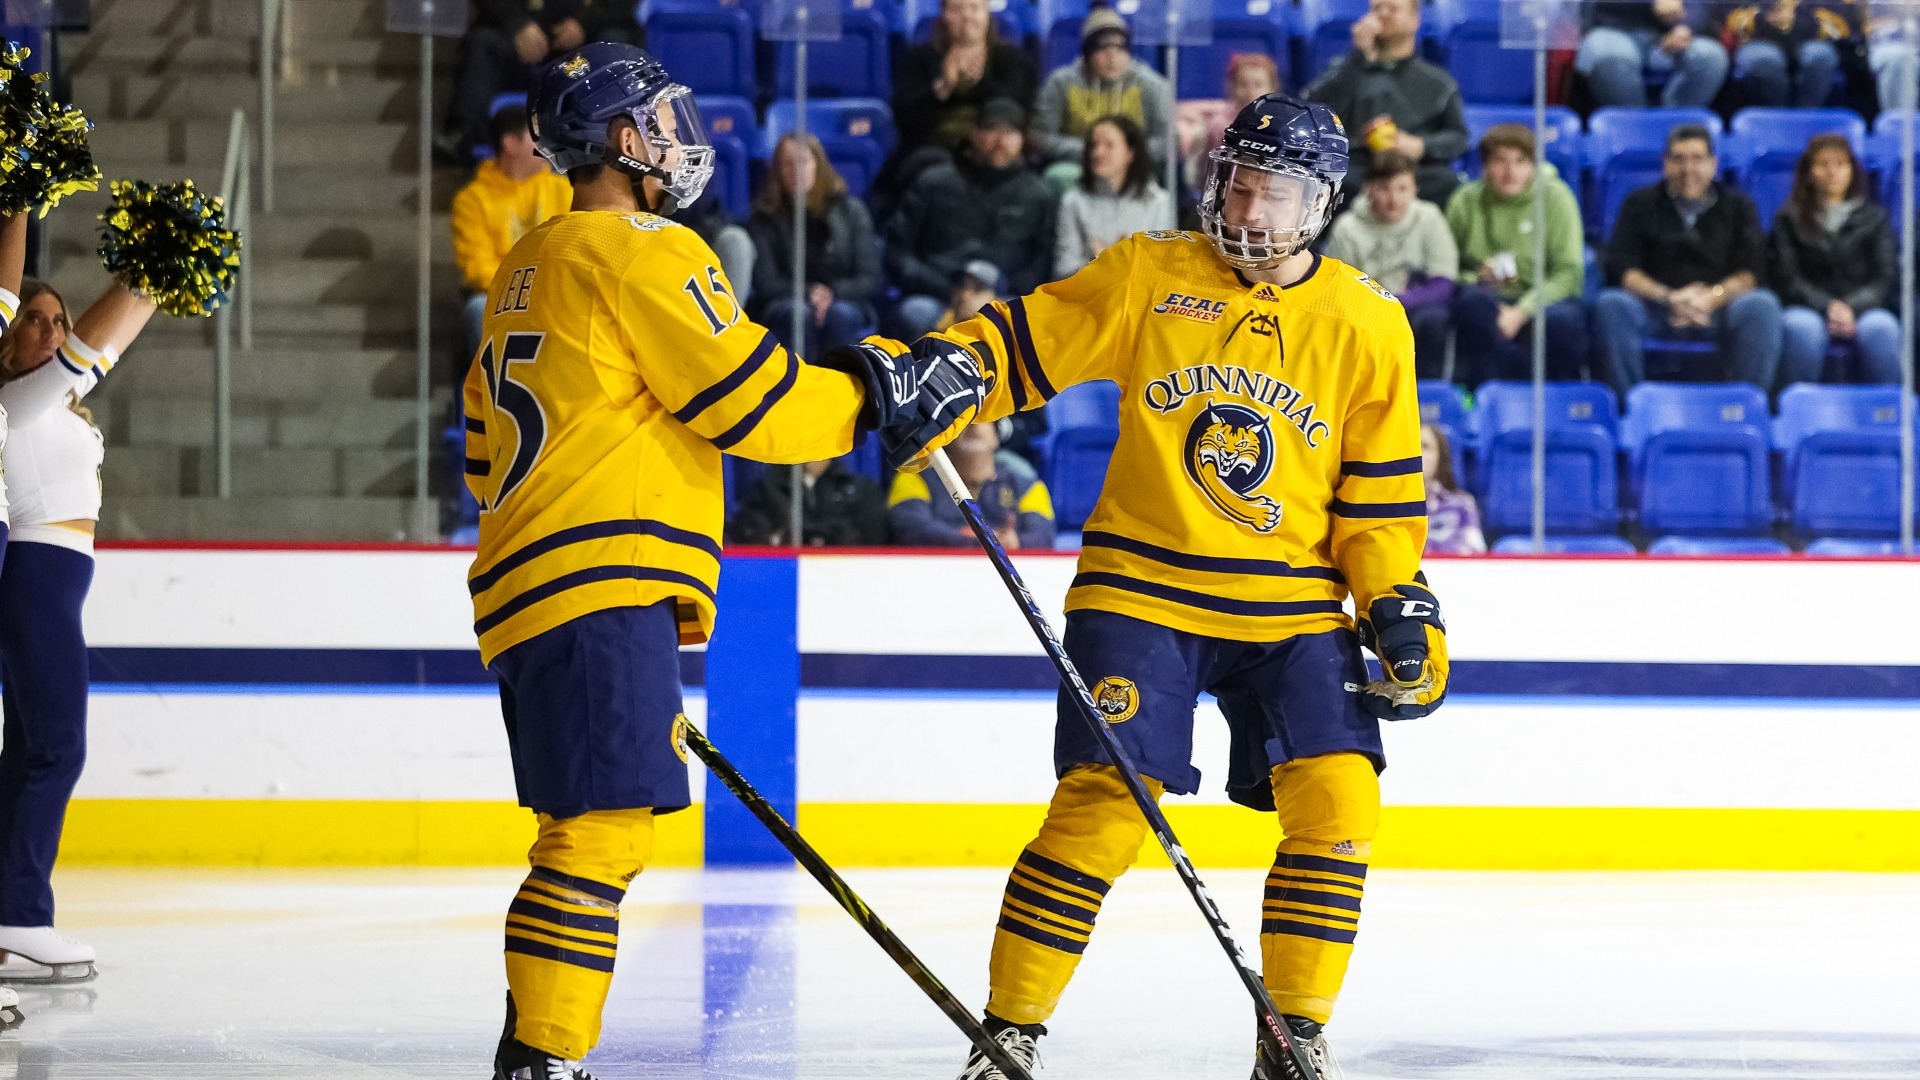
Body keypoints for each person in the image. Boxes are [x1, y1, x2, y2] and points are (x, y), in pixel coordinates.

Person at [466, 43, 982, 1080]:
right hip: (594, 578)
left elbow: (483, 453)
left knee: (586, 827)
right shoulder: (648, 249)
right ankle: (544, 1058)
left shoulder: (529, 262)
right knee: (598, 835)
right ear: (621, 141)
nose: (681, 139)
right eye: (659, 121)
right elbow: (750, 402)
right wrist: (873, 397)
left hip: (533, 583)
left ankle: (536, 1049)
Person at [926, 93, 1449, 1080]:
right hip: (1142, 589)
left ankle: (1294, 1031)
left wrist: (1398, 607)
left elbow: (1377, 510)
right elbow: (1027, 342)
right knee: (1103, 800)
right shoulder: (1152, 273)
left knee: (1340, 801)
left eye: (1277, 190)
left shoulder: (1370, 325)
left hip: (1291, 602)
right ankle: (1011, 1031)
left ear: (1323, 204)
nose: (1249, 208)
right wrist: (938, 370)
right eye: (1238, 180)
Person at [0, 245, 164, 986]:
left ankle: (11, 916)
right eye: (32, 319)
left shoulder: (53, 403)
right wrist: (131, 280)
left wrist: (167, 269)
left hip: (55, 582)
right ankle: (22, 917)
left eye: (57, 320)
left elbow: (108, 345)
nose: (49, 330)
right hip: (34, 577)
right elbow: (89, 346)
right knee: (57, 748)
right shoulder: (13, 399)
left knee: (31, 751)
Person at [1593, 124, 1781, 397]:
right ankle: (1630, 407)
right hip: (1655, 306)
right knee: (1612, 304)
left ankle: (1746, 405)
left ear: (1713, 165)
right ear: (1665, 164)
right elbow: (1622, 268)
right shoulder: (1639, 203)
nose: (1687, 169)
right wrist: (1669, 298)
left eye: (1697, 159)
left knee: (1762, 305)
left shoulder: (1739, 206)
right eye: (1678, 159)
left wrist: (1711, 299)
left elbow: (1751, 273)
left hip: (1719, 308)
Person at [885, 98, 1056, 339]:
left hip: (1005, 299)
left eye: (1010, 132)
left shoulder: (1039, 194)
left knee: (1026, 322)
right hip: (938, 295)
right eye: (991, 129)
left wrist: (994, 295)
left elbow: (1042, 260)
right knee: (915, 312)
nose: (1000, 140)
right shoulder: (934, 182)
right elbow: (896, 252)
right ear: (974, 134)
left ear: (1022, 139)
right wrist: (953, 291)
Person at [1445, 124, 1590, 387]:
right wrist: (1474, 278)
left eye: (1521, 162)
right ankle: (1476, 397)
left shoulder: (1557, 198)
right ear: (1485, 165)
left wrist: (1522, 311)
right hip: (1487, 296)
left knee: (1562, 323)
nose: (1510, 172)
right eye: (1500, 161)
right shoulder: (1464, 201)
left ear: (1533, 165)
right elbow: (1444, 268)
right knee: (1472, 307)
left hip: (1543, 297)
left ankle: (1555, 400)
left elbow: (1568, 274)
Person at [1305, 0, 1469, 207]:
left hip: (1416, 172)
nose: (1383, 14)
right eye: (1376, 8)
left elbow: (1459, 138)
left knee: (1447, 183)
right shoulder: (1345, 71)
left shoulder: (1438, 82)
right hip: (1356, 168)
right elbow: (1312, 111)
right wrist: (1358, 56)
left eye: (1392, 8)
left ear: (1415, 20)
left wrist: (1420, 145)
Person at [1771, 134, 1901, 385]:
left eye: (1840, 164)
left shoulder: (1876, 219)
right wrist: (1827, 307)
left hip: (1864, 309)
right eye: (1823, 164)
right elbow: (1787, 277)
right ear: (1808, 172)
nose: (1832, 172)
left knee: (1882, 328)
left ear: (1852, 170)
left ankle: (1887, 412)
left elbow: (1886, 277)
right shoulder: (1787, 221)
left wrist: (1852, 307)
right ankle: (1798, 413)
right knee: (1802, 329)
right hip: (1808, 308)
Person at [451, 105, 572, 372]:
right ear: (510, 143)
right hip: (502, 300)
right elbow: (477, 268)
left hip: (558, 293)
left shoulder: (563, 190)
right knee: (477, 309)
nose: (546, 144)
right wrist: (528, 293)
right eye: (536, 137)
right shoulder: (472, 201)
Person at [439, 0, 642, 159]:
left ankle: (618, 137)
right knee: (483, 43)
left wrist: (584, 24)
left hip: (587, 45)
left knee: (614, 46)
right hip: (520, 43)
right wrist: (517, 25)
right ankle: (464, 134)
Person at [1321, 152, 1458, 378]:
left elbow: (1443, 282)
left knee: (1434, 320)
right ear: (1368, 189)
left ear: (1415, 190)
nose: (1394, 198)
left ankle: (1427, 391)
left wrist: (1398, 302)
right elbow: (1340, 287)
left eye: (1402, 189)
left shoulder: (1429, 217)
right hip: (1365, 309)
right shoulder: (1347, 228)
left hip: (1416, 305)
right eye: (1384, 188)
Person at [746, 133, 882, 359]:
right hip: (786, 301)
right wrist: (808, 293)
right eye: (787, 164)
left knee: (840, 315)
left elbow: (869, 277)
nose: (795, 170)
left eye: (803, 162)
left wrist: (832, 292)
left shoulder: (851, 211)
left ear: (819, 165)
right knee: (796, 314)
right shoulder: (764, 217)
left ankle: (845, 389)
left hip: (844, 299)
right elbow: (766, 283)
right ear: (777, 172)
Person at [1030, 6, 1175, 187]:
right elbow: (1040, 136)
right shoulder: (1060, 83)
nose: (1112, 58)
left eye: (1120, 49)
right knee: (1059, 176)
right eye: (1103, 50)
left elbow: (1168, 141)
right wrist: (1091, 151)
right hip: (1076, 165)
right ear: (1087, 54)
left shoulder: (1153, 85)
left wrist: (1124, 154)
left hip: (1134, 166)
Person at [892, 0, 1038, 159]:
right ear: (944, 16)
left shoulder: (1013, 59)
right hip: (934, 153)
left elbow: (1020, 108)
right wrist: (944, 87)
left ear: (986, 14)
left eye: (974, 8)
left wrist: (979, 84)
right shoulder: (919, 59)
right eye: (956, 9)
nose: (967, 16)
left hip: (997, 155)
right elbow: (905, 118)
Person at [888, 423, 1055, 549]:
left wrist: (1015, 541)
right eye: (964, 420)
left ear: (997, 436)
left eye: (983, 419)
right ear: (946, 438)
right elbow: (909, 528)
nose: (973, 425)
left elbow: (1044, 536)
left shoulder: (1030, 486)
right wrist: (981, 540)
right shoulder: (913, 478)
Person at [1054, 115, 1176, 278]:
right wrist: (1100, 264)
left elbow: (1164, 268)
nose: (1098, 152)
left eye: (1109, 145)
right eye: (1093, 145)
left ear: (1130, 153)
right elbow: (1063, 270)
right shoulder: (1073, 202)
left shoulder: (1159, 202)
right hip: (1089, 294)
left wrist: (1111, 261)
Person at [1575, 0, 1729, 108]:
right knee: (1612, 57)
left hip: (1668, 36)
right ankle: (1632, 128)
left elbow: (1703, 5)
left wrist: (1685, 26)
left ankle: (1675, 129)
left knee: (1711, 56)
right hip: (1614, 29)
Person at [726, 458, 888, 547]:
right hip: (783, 572)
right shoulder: (767, 487)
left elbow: (873, 538)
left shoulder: (858, 489)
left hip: (845, 573)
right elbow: (753, 535)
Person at [1182, 53, 1281, 190]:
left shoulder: (1282, 126)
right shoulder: (1219, 125)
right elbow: (1204, 172)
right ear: (1231, 86)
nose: (1250, 92)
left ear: (1272, 88)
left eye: (1258, 84)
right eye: (1243, 84)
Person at [1721, 1, 1847, 107]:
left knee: (1819, 55)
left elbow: (1842, 22)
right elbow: (1726, 14)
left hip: (1811, 38)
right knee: (1763, 58)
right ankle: (1775, 117)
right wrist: (1763, 18)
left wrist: (1796, 19)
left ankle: (1806, 117)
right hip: (1757, 39)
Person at [1421, 424, 1484, 555]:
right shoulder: (1390, 506)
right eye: (1413, 446)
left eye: (1425, 446)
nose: (1418, 452)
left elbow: (1475, 551)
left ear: (1440, 457)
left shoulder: (1462, 504)